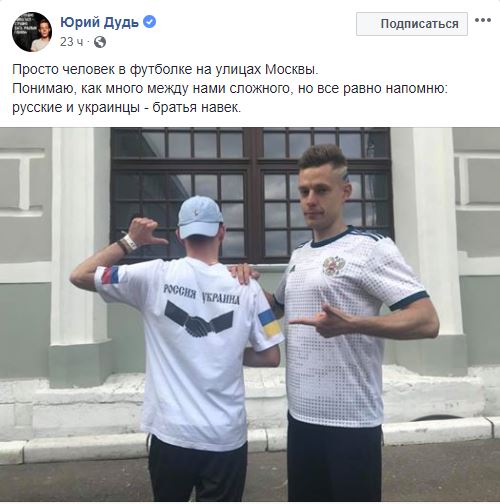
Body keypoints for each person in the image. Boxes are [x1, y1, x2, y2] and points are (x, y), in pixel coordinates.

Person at [234, 144, 440, 502]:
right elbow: (277, 307)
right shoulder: (299, 255)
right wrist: (243, 283)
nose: (310, 200)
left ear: (345, 192)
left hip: (351, 423)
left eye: (321, 190)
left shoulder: (371, 248)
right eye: (304, 191)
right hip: (301, 418)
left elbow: (427, 320)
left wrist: (354, 324)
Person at [70, 195, 284, 502]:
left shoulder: (152, 275)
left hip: (171, 434)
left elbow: (79, 275)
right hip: (224, 437)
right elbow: (271, 356)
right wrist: (229, 350)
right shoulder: (248, 286)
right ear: (222, 231)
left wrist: (130, 241)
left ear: (180, 234)